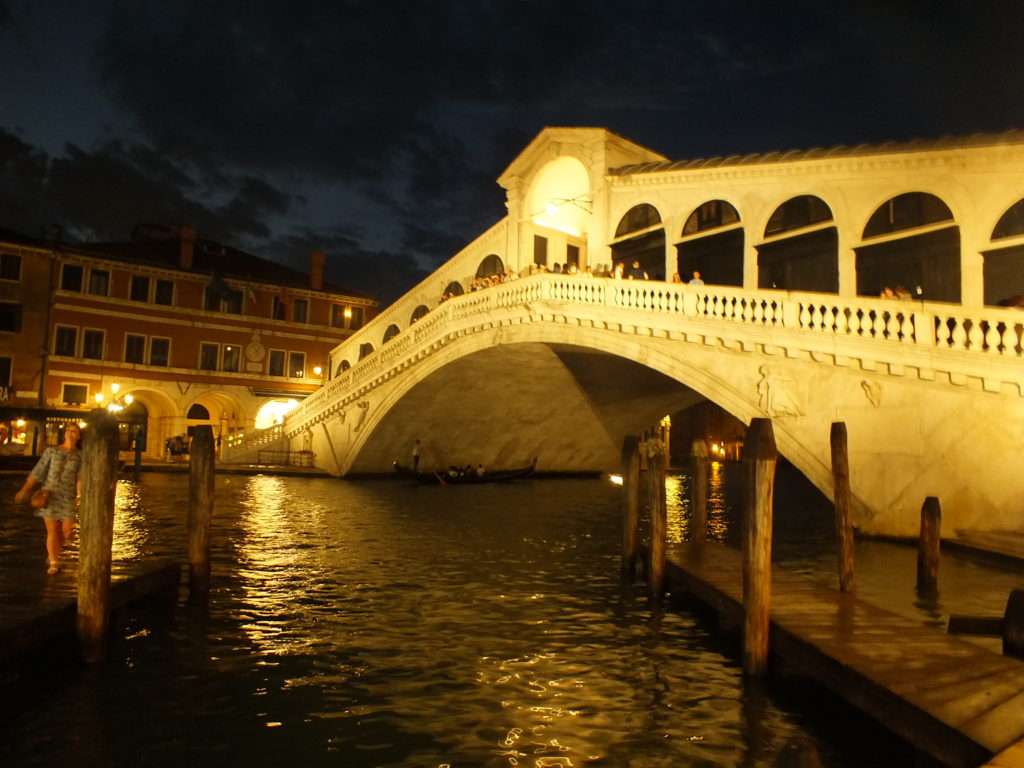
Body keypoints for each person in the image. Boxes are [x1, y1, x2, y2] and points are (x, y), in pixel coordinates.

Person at [15, 423, 82, 574]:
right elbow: (38, 472)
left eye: (75, 432)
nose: (72, 434)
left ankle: (55, 553)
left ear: (78, 436)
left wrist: (80, 496)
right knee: (52, 530)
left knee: (66, 532)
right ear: (64, 433)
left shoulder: (80, 456)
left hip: (68, 496)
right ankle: (53, 561)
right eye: (69, 431)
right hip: (49, 494)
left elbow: (80, 477)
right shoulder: (52, 451)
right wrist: (24, 490)